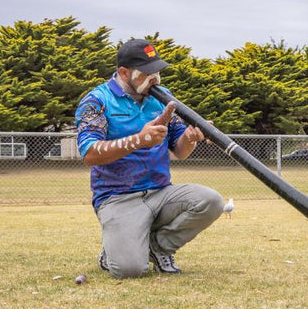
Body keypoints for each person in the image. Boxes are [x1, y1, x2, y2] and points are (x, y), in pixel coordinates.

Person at [75, 39, 224, 278]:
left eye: (157, 71)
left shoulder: (162, 97)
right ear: (124, 72)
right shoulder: (97, 101)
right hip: (117, 197)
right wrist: (139, 140)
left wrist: (190, 137)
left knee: (211, 201)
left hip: (160, 192)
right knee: (130, 270)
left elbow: (180, 151)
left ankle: (157, 247)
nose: (155, 78)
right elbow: (90, 154)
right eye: (146, 73)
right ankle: (114, 251)